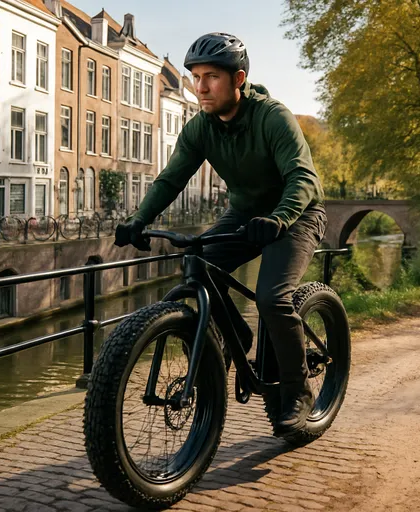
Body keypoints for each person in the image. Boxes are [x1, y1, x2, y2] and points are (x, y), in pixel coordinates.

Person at [116, 32, 327, 435]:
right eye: (195, 77)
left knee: (271, 295)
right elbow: (170, 179)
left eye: (211, 76)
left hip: (297, 214)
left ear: (239, 79)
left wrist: (280, 218)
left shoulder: (273, 117)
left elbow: (301, 176)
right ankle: (237, 334)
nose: (200, 87)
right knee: (197, 266)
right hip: (245, 214)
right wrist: (138, 219)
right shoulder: (201, 128)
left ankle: (299, 391)